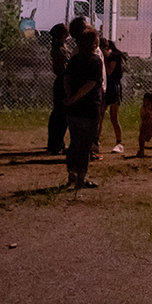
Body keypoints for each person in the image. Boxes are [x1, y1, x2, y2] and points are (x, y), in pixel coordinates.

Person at [64, 27, 104, 188]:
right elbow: (91, 84)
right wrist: (75, 97)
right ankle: (81, 177)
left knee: (74, 142)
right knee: (85, 144)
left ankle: (71, 174)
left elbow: (66, 79)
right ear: (94, 43)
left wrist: (70, 97)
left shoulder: (74, 60)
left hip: (73, 109)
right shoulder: (95, 61)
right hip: (89, 107)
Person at [46, 23, 69, 154]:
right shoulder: (60, 49)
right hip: (62, 81)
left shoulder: (60, 47)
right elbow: (67, 64)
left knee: (59, 113)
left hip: (61, 81)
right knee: (60, 113)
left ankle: (58, 142)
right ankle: (55, 143)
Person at [101, 39, 126, 154]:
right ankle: (96, 141)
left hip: (113, 87)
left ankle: (119, 142)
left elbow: (109, 72)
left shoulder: (113, 56)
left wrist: (104, 59)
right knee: (100, 116)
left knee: (114, 117)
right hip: (105, 86)